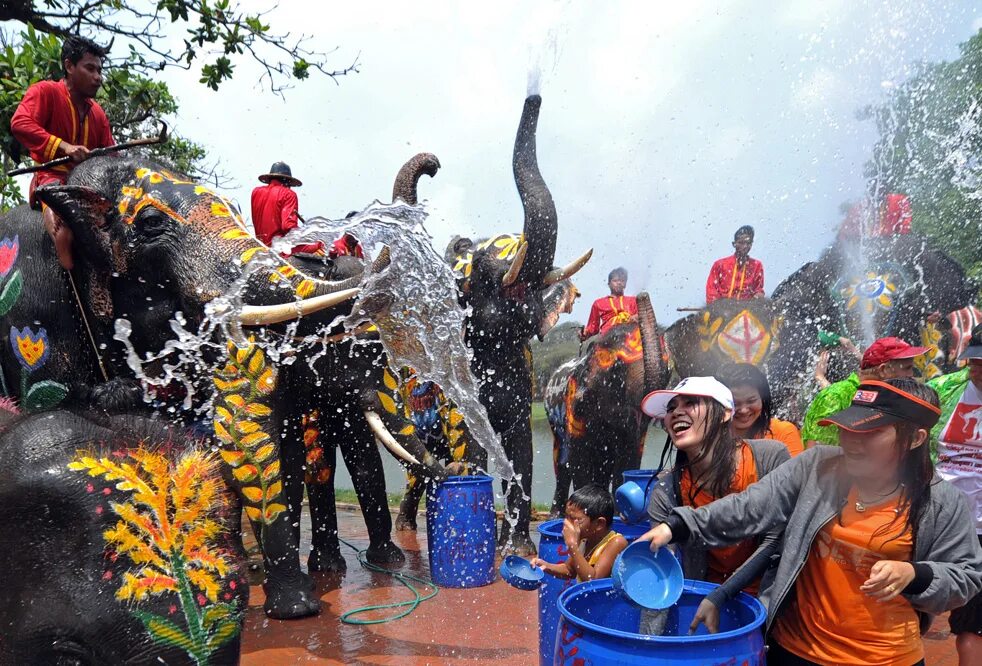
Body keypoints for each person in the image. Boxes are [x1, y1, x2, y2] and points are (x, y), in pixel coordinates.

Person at [643, 378, 982, 666]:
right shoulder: (818, 467)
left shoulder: (940, 501)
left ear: (915, 439)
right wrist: (679, 525)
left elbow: (966, 576)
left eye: (869, 433)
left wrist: (915, 574)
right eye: (848, 429)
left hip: (886, 657)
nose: (851, 441)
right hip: (796, 650)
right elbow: (749, 506)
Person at [640, 376, 790, 633]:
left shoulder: (768, 458)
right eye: (671, 407)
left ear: (725, 414)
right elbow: (662, 574)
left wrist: (722, 594)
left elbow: (775, 541)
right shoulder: (666, 490)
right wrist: (647, 646)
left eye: (691, 402)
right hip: (703, 607)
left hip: (770, 611)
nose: (677, 412)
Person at [10, 35, 114, 271]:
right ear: (69, 66)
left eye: (99, 70)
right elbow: (20, 123)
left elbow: (111, 157)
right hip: (52, 180)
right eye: (90, 69)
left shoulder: (98, 114)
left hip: (90, 188)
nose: (98, 77)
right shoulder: (45, 91)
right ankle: (73, 290)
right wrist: (64, 147)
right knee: (65, 232)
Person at [927, 323, 982, 665]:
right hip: (939, 518)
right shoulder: (944, 390)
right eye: (975, 362)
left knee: (973, 624)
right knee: (911, 604)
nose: (978, 370)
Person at [802, 336, 929, 446]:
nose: (911, 375)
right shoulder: (836, 396)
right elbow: (816, 459)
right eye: (907, 368)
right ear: (884, 370)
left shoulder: (887, 397)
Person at [530, 483, 627, 582]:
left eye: (575, 519)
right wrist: (545, 565)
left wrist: (572, 545)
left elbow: (593, 580)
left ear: (599, 524)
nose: (567, 523)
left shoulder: (616, 542)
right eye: (566, 517)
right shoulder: (584, 540)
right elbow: (569, 570)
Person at [717, 363, 804, 456]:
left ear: (762, 399)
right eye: (734, 403)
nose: (744, 410)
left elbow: (796, 470)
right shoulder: (709, 437)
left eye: (751, 401)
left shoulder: (783, 432)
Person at [250, 161, 323, 256]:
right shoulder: (288, 194)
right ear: (287, 181)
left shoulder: (256, 192)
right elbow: (288, 227)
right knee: (321, 244)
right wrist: (307, 235)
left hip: (261, 246)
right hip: (280, 250)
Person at [705, 225, 765, 304]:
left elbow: (758, 290)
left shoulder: (757, 266)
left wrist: (758, 297)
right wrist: (719, 308)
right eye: (741, 243)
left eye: (748, 243)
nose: (745, 246)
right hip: (720, 311)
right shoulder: (719, 265)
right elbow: (711, 293)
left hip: (746, 312)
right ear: (734, 244)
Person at [580, 267, 638, 341]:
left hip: (631, 337)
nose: (619, 283)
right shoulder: (598, 303)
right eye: (615, 280)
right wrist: (584, 333)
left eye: (622, 280)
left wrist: (636, 317)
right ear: (609, 284)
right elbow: (593, 328)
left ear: (625, 284)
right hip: (607, 340)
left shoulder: (633, 300)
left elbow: (643, 319)